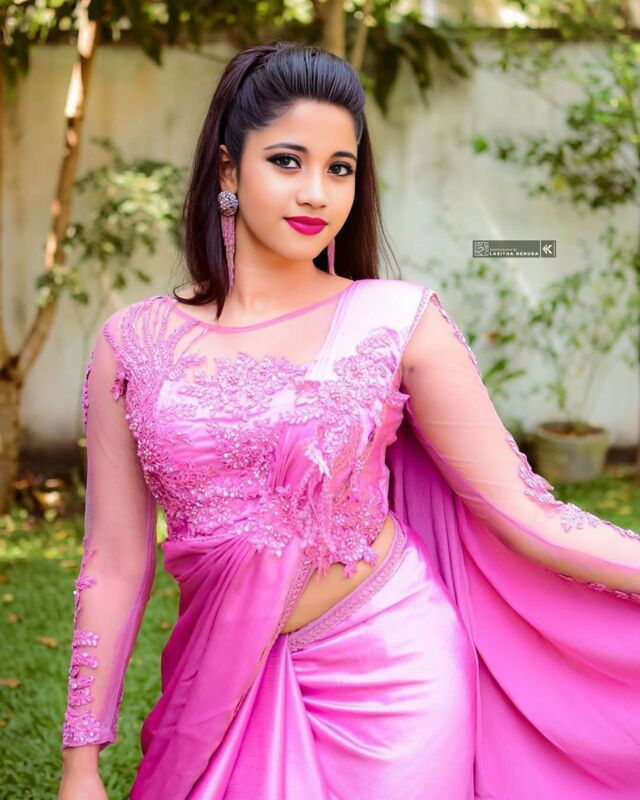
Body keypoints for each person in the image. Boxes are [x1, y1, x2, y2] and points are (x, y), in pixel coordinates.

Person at [58, 41, 640, 800]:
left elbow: (526, 514)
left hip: (393, 674)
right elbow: (114, 561)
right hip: (219, 679)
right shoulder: (133, 343)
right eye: (287, 161)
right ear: (228, 170)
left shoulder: (395, 320)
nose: (316, 193)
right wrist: (80, 764)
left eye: (340, 168)